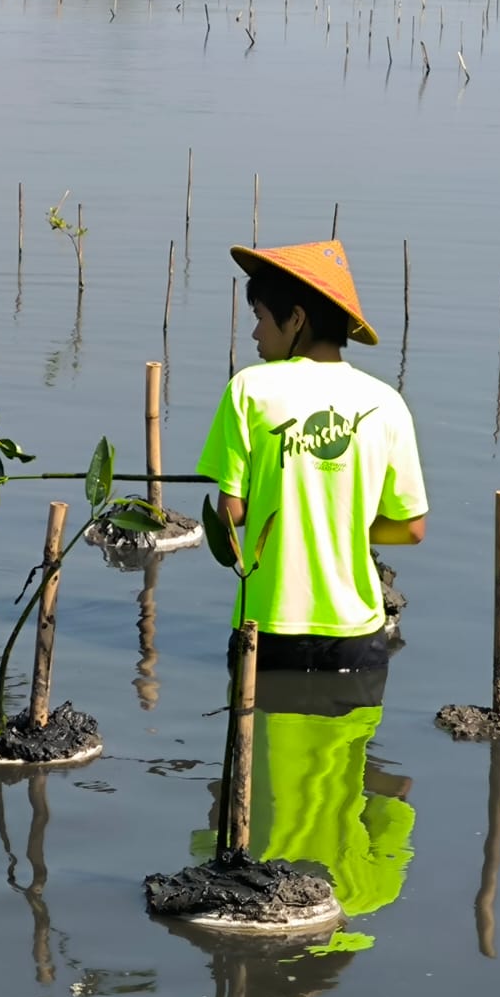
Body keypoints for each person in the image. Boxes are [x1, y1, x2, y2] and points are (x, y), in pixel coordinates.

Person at [196, 239, 428, 672]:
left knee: (257, 737)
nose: (255, 334)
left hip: (267, 628)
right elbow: (412, 529)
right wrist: (343, 526)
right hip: (358, 634)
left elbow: (231, 514)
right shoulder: (387, 403)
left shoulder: (250, 389)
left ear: (296, 318)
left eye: (260, 317)